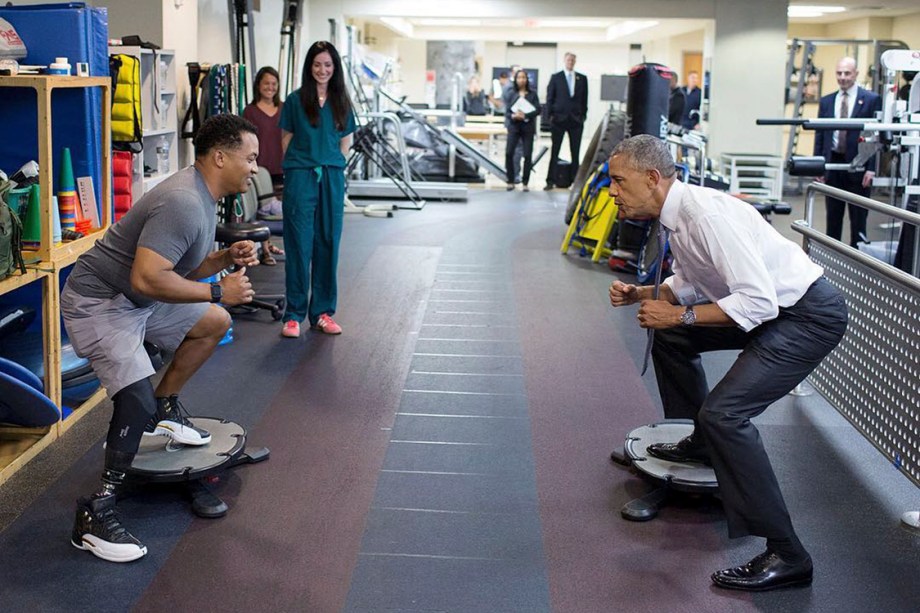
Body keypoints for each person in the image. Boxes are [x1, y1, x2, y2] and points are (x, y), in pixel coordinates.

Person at [607, 135, 848, 591]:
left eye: (619, 182)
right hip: (775, 308)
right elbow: (696, 280)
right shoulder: (675, 216)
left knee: (725, 414)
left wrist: (677, 312)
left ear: (652, 179)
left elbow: (756, 302)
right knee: (672, 336)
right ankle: (701, 447)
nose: (613, 192)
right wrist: (645, 296)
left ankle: (789, 554)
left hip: (806, 316)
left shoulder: (707, 216)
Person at [61, 114, 261, 562]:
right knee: (134, 398)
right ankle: (96, 511)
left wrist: (223, 258)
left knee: (213, 322)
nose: (253, 168)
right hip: (100, 304)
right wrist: (218, 289)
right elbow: (149, 278)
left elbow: (176, 274)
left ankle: (165, 405)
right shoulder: (183, 202)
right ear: (220, 156)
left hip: (137, 299)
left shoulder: (205, 198)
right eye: (249, 159)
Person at [279, 40, 356, 339]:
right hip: (300, 175)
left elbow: (345, 143)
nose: (322, 70)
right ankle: (294, 315)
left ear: (334, 68)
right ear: (309, 67)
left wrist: (332, 162)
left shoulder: (341, 102)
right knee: (298, 244)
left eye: (327, 65)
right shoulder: (296, 100)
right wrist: (300, 164)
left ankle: (322, 313)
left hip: (332, 177)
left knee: (328, 242)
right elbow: (286, 139)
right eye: (317, 64)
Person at [814, 57, 881, 247]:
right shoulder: (827, 101)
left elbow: (876, 136)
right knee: (833, 218)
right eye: (839, 73)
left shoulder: (870, 100)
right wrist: (819, 165)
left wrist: (871, 168)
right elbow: (820, 134)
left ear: (856, 74)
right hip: (833, 164)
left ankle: (858, 259)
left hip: (859, 166)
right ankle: (832, 258)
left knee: (858, 219)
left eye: (847, 73)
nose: (842, 77)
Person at [242, 66, 286, 266]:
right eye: (266, 83)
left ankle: (275, 247)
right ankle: (265, 250)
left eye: (274, 84)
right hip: (258, 168)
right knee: (261, 211)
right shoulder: (250, 111)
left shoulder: (285, 109)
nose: (270, 87)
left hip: (282, 168)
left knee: (278, 210)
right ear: (258, 85)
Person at [544, 52, 588, 190]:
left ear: (575, 61)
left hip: (576, 121)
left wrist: (583, 116)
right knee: (555, 151)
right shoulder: (556, 77)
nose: (570, 62)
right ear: (564, 60)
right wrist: (550, 117)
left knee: (575, 152)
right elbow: (549, 98)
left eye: (573, 60)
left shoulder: (582, 78)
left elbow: (584, 99)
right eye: (568, 59)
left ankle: (576, 182)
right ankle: (550, 181)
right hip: (558, 120)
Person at [503, 69, 540, 192]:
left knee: (527, 154)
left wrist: (526, 116)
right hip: (514, 126)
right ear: (516, 79)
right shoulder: (512, 93)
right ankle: (510, 180)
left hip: (527, 127)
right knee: (509, 152)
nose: (521, 80)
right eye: (519, 78)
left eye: (524, 77)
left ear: (527, 79)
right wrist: (513, 116)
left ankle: (525, 181)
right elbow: (507, 111)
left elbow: (538, 110)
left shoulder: (532, 94)